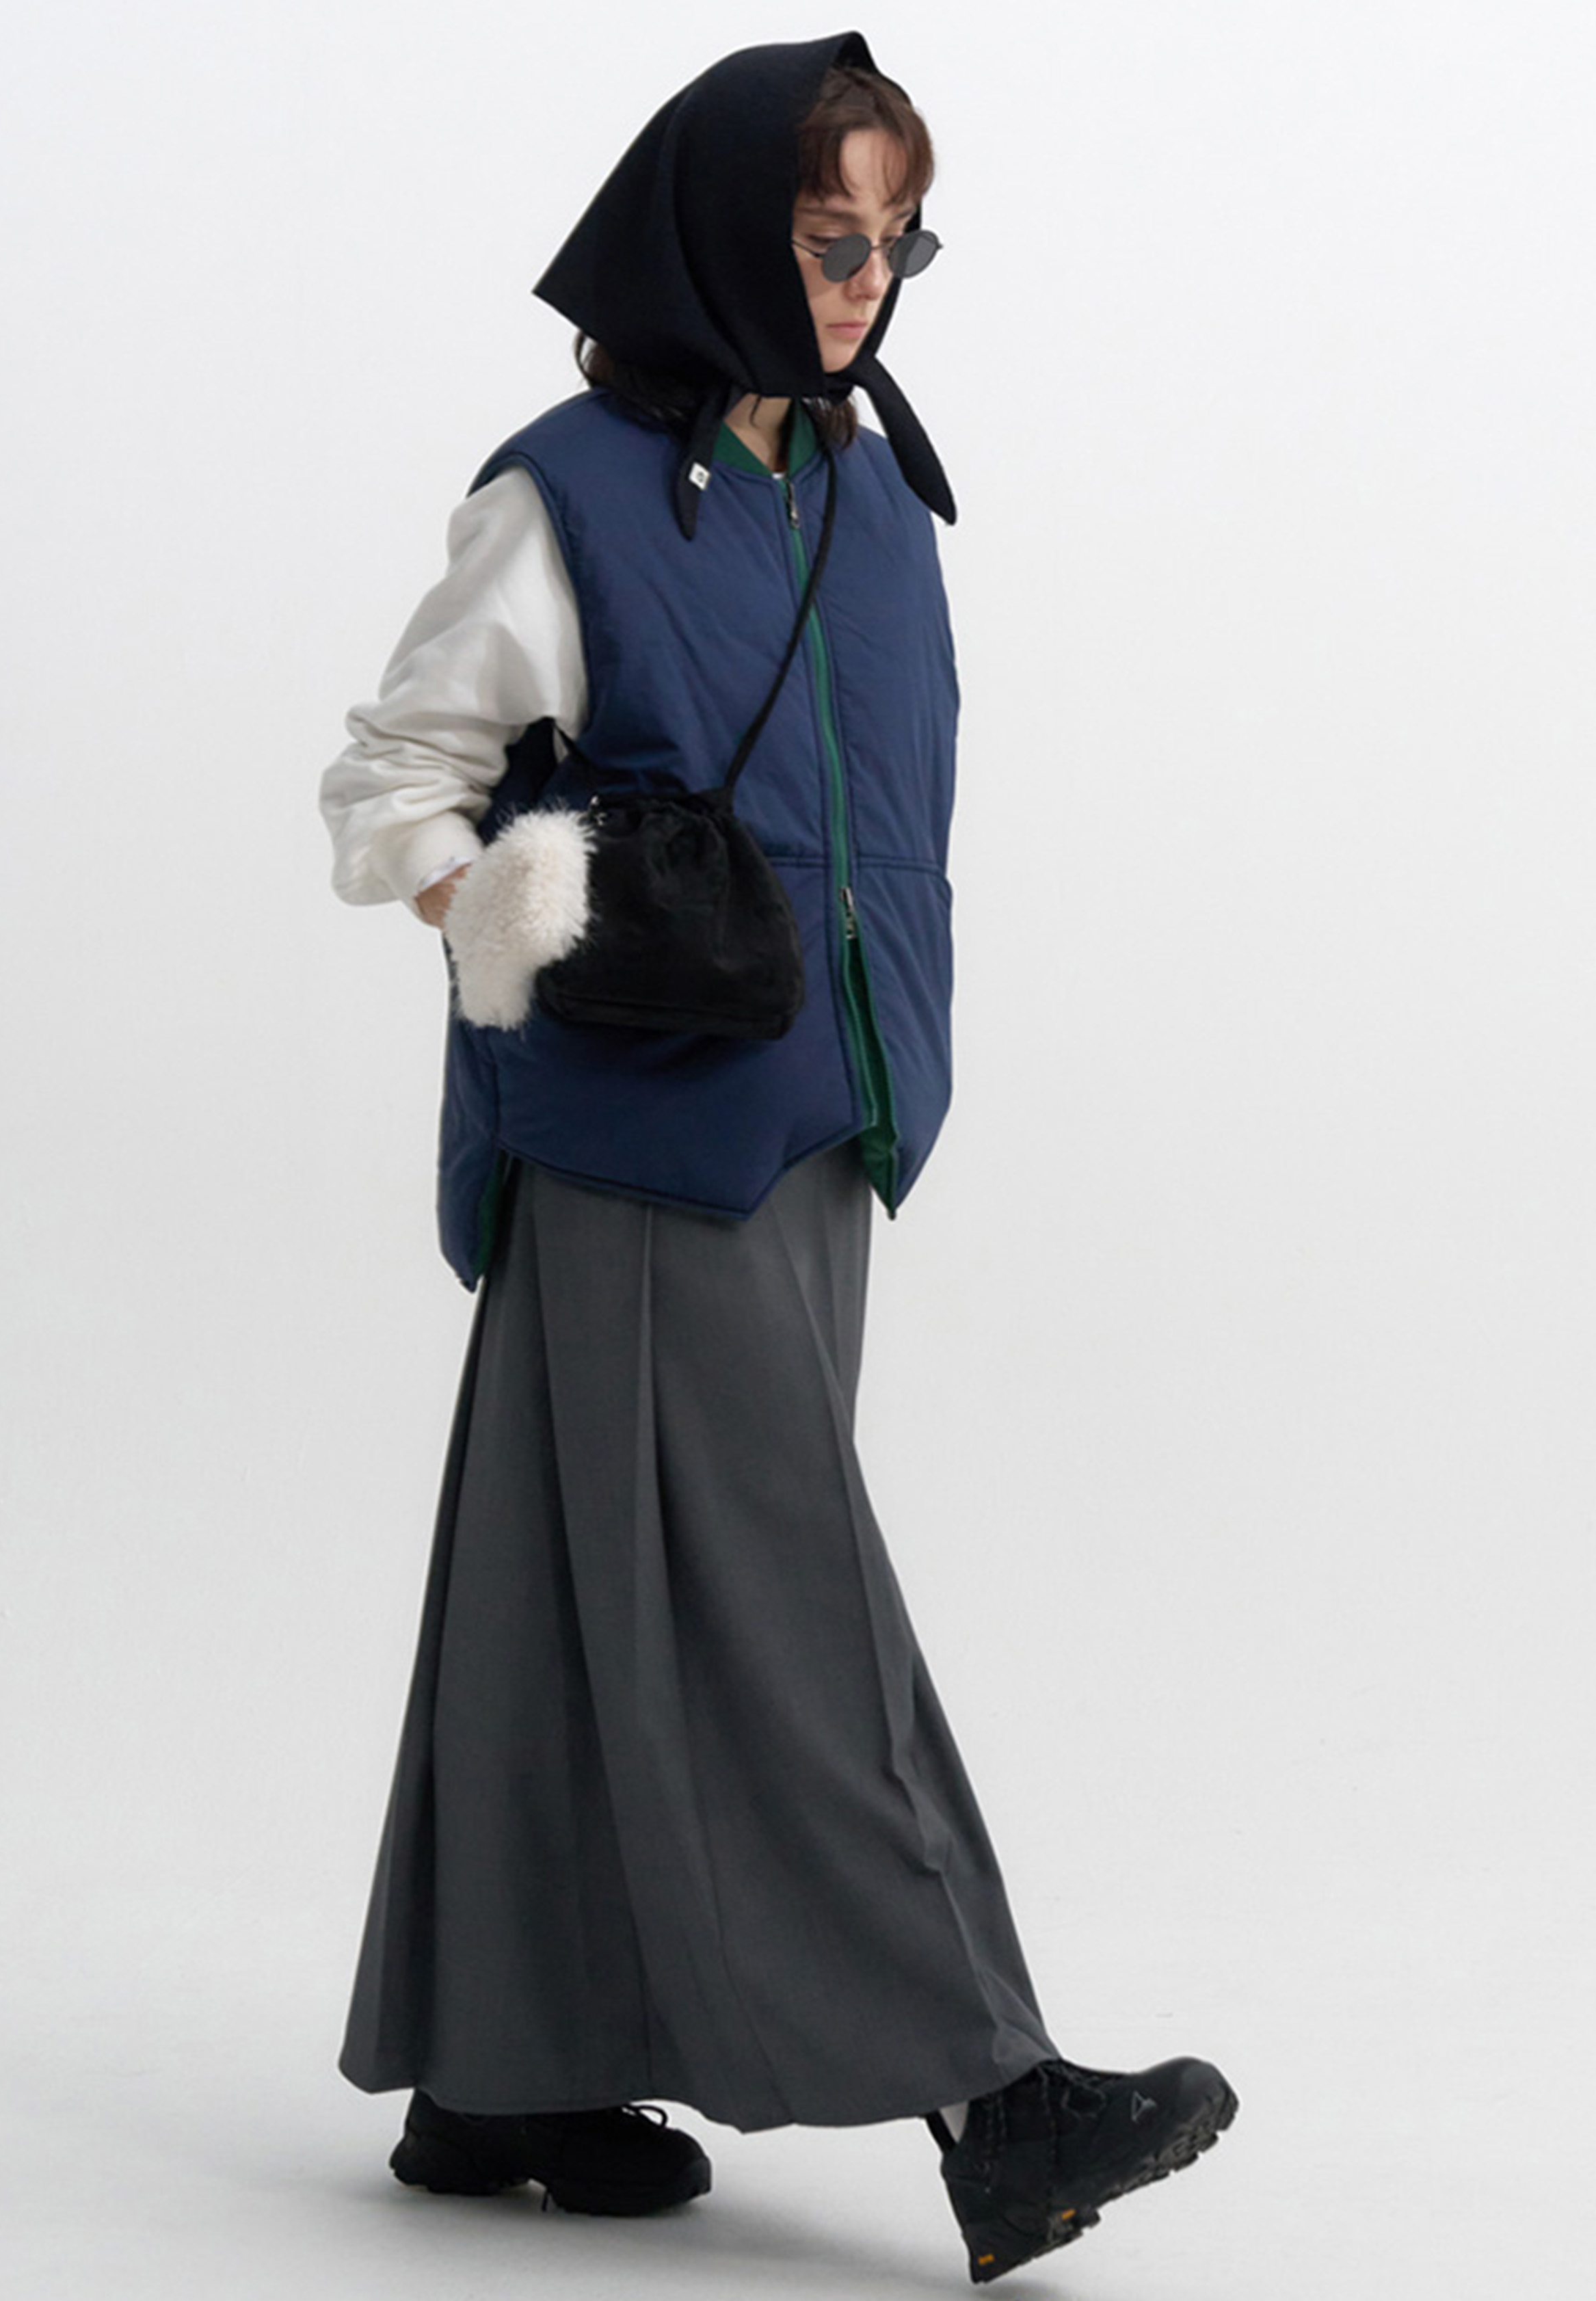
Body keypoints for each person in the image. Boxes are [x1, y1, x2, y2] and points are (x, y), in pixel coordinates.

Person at [317, 31, 1238, 2286]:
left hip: (824, 1109)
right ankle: (993, 2094)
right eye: (829, 238)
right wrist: (506, 910)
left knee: (578, 1575)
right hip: (640, 1122)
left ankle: (501, 2065)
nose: (863, 284)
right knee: (779, 1596)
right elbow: (390, 781)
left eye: (895, 242)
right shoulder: (563, 495)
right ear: (725, 234)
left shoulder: (865, 488)